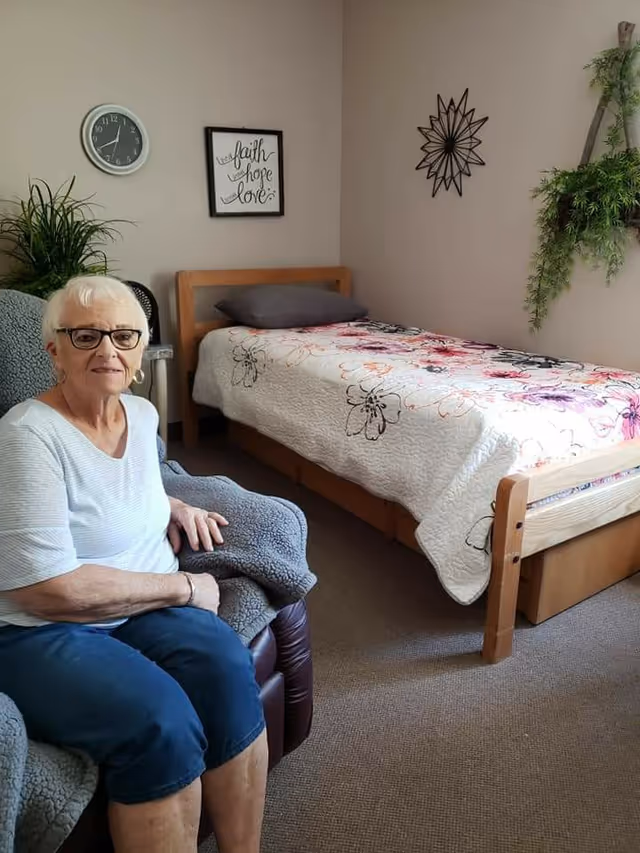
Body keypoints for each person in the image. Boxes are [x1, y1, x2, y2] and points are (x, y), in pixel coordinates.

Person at [0, 276, 268, 853]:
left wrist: (171, 502)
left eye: (124, 336)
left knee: (225, 666)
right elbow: (48, 589)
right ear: (54, 350)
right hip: (42, 628)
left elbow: (121, 489)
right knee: (159, 721)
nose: (107, 351)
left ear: (142, 351)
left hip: (139, 606)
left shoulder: (142, 416)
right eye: (86, 335)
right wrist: (184, 586)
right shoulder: (27, 435)